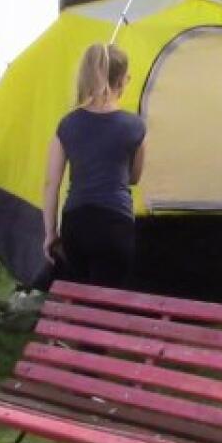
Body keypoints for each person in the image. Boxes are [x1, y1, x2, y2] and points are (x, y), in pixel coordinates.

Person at [42, 44, 146, 288]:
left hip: (76, 222)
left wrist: (50, 233)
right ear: (122, 80)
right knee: (108, 299)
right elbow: (134, 177)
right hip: (115, 223)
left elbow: (51, 184)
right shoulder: (135, 126)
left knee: (80, 295)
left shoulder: (67, 124)